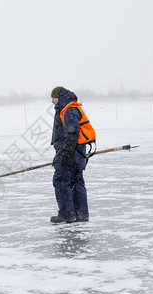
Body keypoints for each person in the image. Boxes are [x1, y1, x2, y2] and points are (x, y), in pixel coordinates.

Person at [50, 86, 93, 223]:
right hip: (77, 154)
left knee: (61, 181)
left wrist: (65, 155)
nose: (52, 101)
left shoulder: (69, 110)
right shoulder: (69, 109)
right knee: (75, 182)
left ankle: (66, 214)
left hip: (71, 154)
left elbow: (73, 134)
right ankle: (81, 215)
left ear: (60, 97)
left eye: (54, 98)